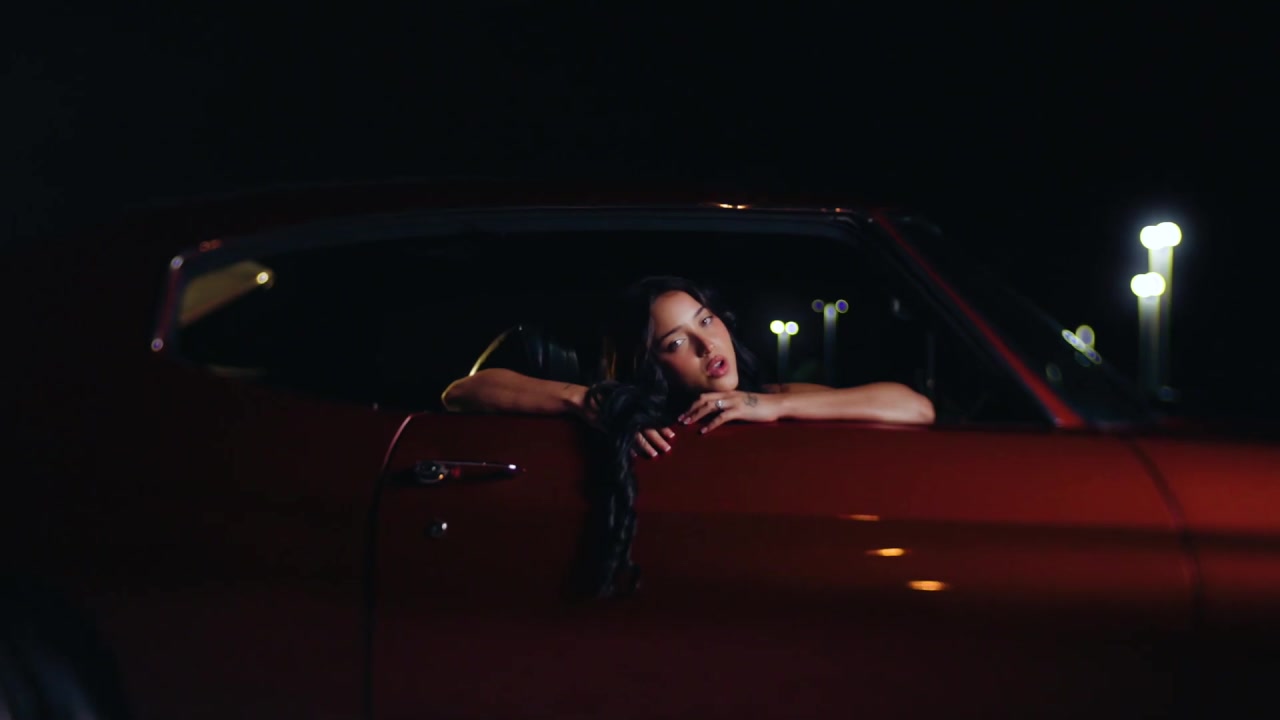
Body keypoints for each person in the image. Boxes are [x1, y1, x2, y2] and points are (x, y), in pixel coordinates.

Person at [440, 276, 934, 597]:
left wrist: (773, 406)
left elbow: (913, 407)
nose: (706, 345)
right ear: (649, 364)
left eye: (706, 321)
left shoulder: (767, 396)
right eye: (676, 342)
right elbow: (464, 391)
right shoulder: (638, 415)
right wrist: (596, 403)